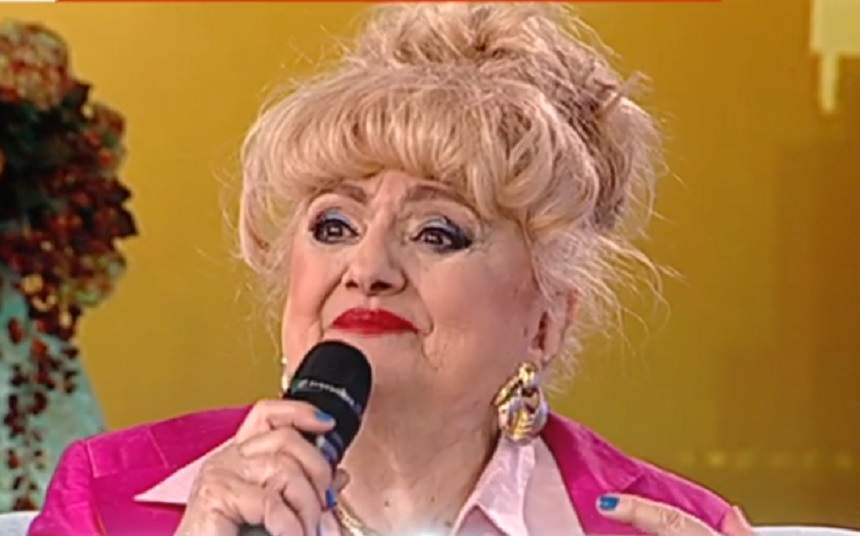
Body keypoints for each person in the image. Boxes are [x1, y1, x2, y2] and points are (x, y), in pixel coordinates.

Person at [29, 4, 755, 536]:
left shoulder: (672, 525)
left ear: (546, 322)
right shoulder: (106, 498)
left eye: (438, 233)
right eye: (334, 226)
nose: (368, 266)